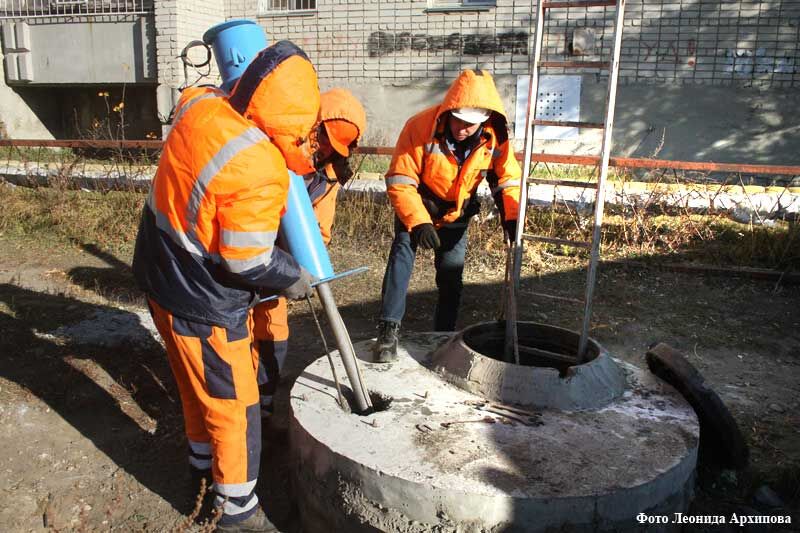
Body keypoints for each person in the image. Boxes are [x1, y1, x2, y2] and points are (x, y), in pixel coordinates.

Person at [132, 41, 320, 533]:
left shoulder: (201, 106)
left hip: (160, 275)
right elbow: (247, 258)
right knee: (235, 405)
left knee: (194, 387)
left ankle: (200, 465)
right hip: (203, 302)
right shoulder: (259, 165)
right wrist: (293, 277)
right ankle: (236, 508)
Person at [374, 69, 522, 363]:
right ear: (449, 111)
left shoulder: (495, 137)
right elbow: (401, 179)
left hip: (457, 212)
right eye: (458, 120)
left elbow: (507, 180)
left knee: (451, 276)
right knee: (401, 259)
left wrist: (512, 216)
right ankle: (387, 332)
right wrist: (419, 222)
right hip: (418, 207)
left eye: (470, 124)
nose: (462, 129)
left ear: (484, 121)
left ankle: (443, 336)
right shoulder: (420, 126)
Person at [252, 88, 367, 418]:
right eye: (325, 138)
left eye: (335, 146)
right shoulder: (272, 151)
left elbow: (320, 230)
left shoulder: (327, 178)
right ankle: (240, 407)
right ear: (313, 125)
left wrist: (303, 269)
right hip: (246, 251)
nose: (325, 149)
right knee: (238, 335)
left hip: (279, 266)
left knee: (273, 334)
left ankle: (263, 403)